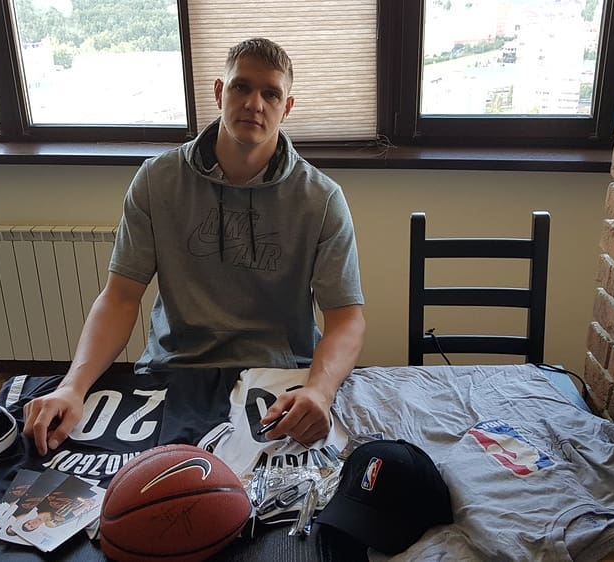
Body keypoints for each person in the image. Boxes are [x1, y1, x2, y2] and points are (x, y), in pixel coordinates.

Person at [24, 37, 365, 456]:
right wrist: (73, 386)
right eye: (241, 87)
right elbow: (120, 297)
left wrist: (321, 389)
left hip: (281, 375)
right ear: (220, 92)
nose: (254, 104)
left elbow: (346, 318)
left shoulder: (321, 198)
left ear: (287, 107)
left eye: (271, 93)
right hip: (175, 371)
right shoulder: (157, 181)